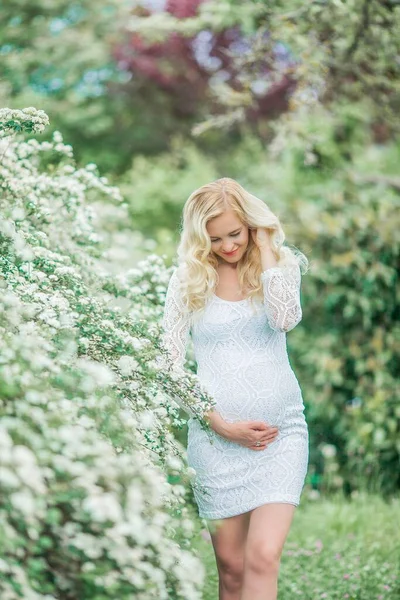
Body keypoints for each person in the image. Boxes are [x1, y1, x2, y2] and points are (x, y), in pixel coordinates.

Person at [160, 177, 309, 600]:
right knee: (233, 569)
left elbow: (284, 319)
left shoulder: (279, 265)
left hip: (281, 436)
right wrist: (221, 425)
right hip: (215, 439)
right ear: (199, 237)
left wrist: (265, 250)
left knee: (263, 556)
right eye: (215, 238)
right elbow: (169, 365)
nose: (227, 246)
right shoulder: (187, 280)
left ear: (250, 225)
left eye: (235, 233)